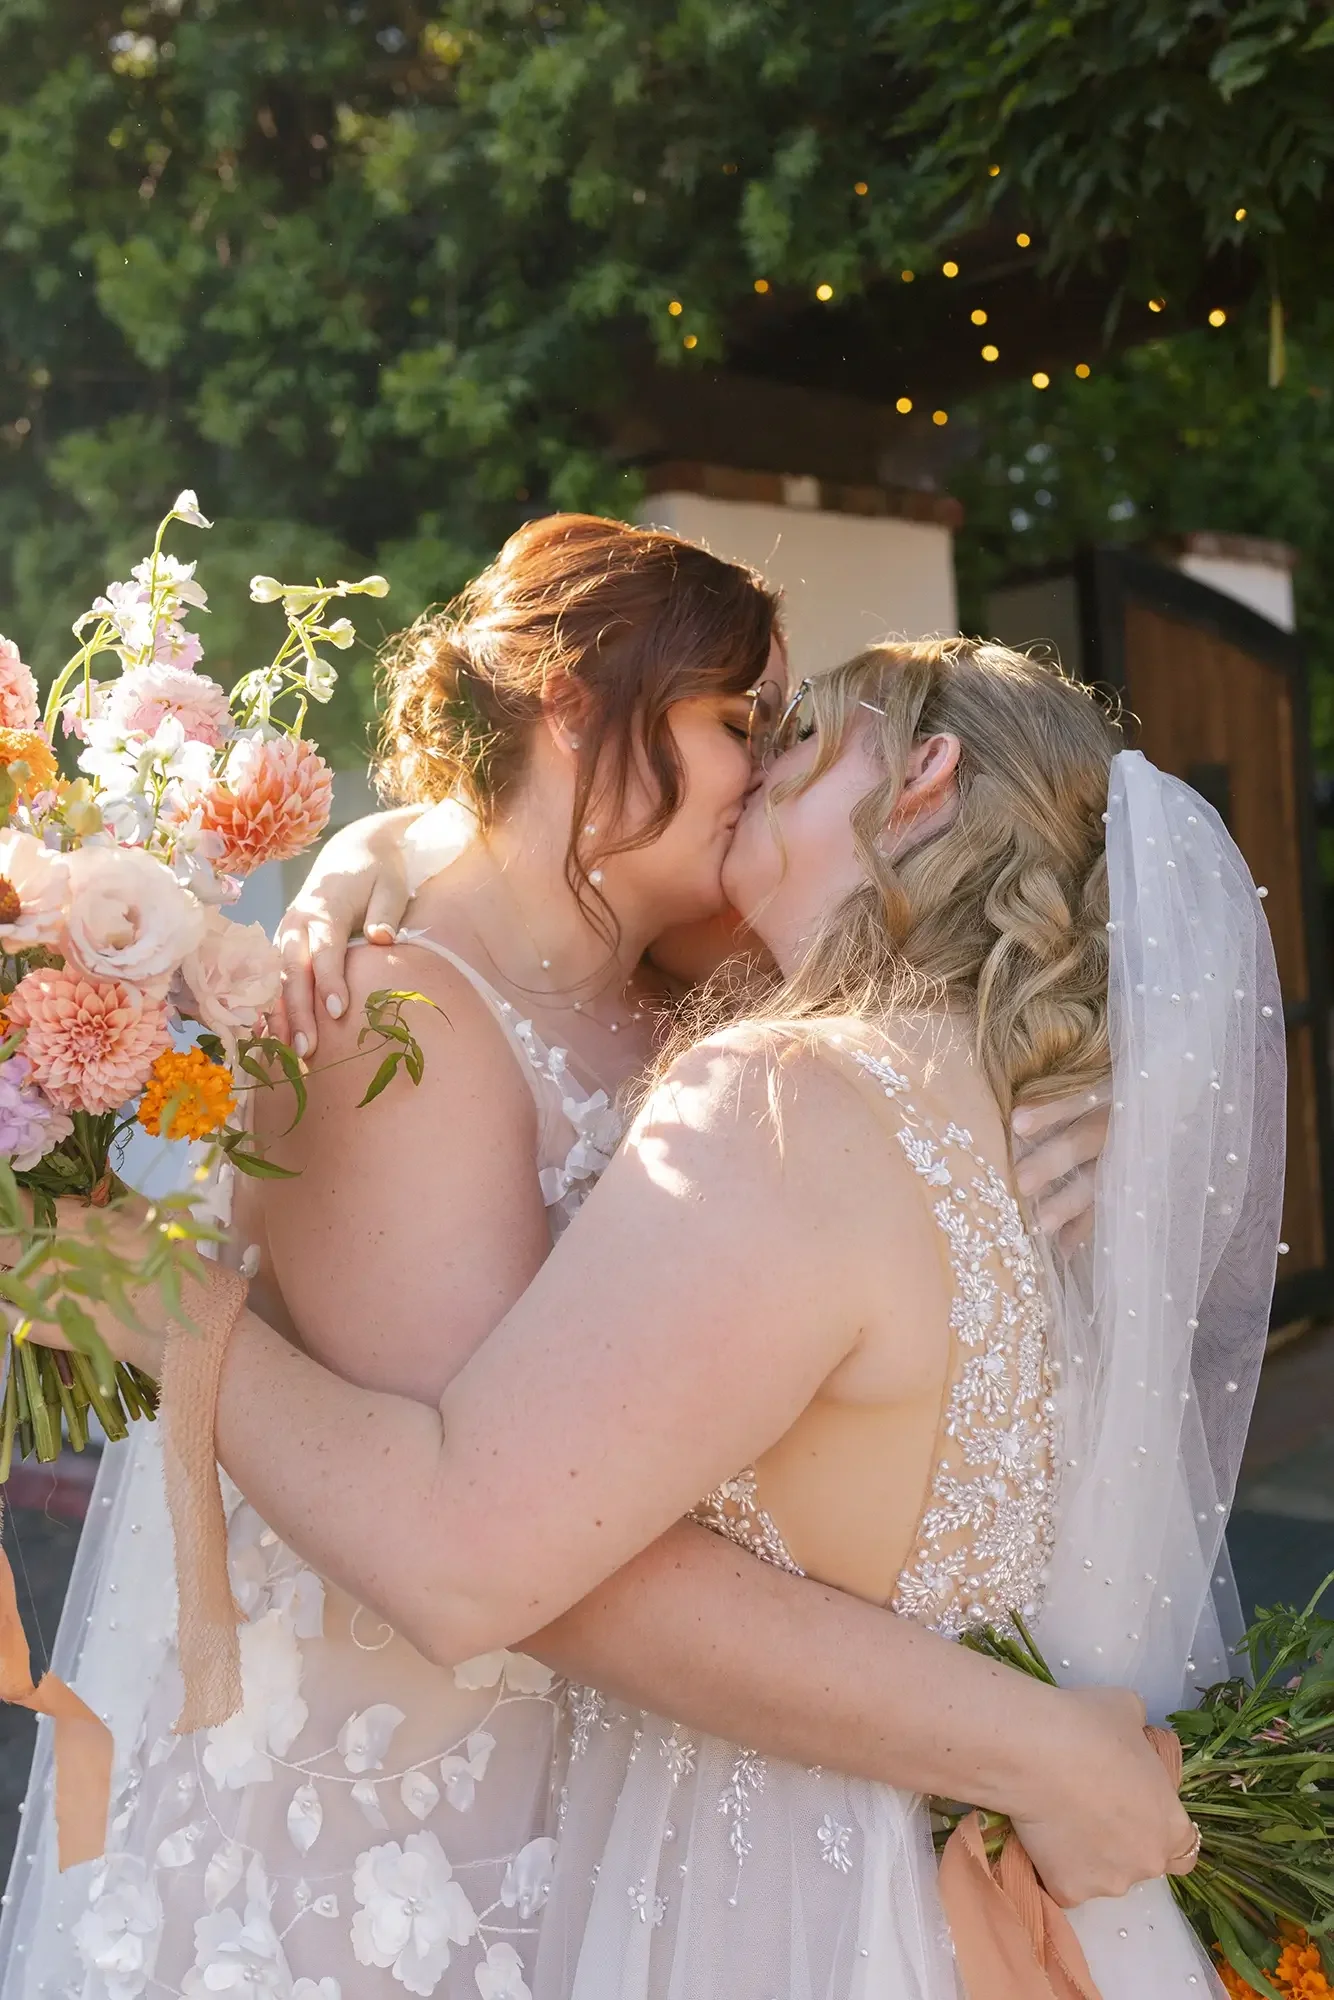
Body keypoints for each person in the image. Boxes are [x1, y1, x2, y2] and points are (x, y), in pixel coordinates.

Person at [25, 637, 1281, 1998]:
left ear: (922, 776)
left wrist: (155, 1301)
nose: (752, 770)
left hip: (781, 1905)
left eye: (799, 739)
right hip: (942, 1887)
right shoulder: (1038, 1131)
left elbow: (460, 1560)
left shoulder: (779, 1099)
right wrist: (370, 855)